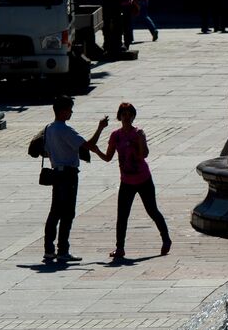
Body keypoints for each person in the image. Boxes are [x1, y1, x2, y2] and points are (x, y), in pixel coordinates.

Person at [97, 102, 171, 260]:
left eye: (129, 114)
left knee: (152, 210)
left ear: (133, 116)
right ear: (119, 116)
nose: (127, 117)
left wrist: (140, 140)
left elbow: (144, 155)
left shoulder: (138, 133)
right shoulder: (115, 136)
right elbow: (108, 157)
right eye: (124, 114)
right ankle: (120, 248)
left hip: (143, 179)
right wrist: (96, 150)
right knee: (122, 215)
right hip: (126, 181)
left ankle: (166, 239)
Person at [41, 95, 109, 263]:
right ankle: (63, 249)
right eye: (70, 109)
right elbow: (89, 145)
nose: (71, 112)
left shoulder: (48, 128)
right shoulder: (65, 130)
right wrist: (100, 128)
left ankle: (49, 249)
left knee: (55, 211)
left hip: (56, 172)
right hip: (68, 174)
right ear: (63, 111)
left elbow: (46, 152)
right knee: (67, 213)